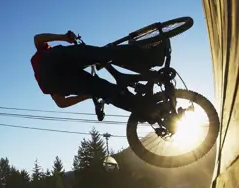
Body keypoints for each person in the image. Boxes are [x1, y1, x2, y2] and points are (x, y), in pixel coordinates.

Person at [30, 30, 166, 121]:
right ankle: (152, 56)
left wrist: (88, 94)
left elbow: (61, 103)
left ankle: (144, 111)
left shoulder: (44, 76)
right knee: (102, 54)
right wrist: (64, 37)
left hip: (56, 82)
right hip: (52, 62)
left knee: (104, 90)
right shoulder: (41, 56)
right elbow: (37, 38)